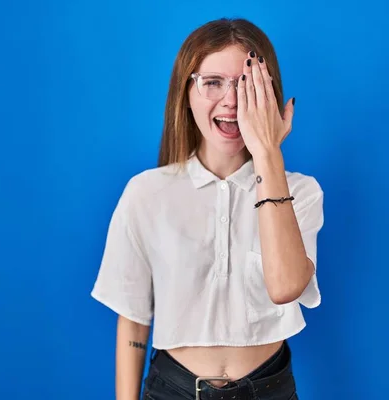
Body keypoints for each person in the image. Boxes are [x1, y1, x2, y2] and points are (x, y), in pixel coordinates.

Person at [91, 17, 324, 400]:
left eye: (247, 85)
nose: (232, 101)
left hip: (270, 390)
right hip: (172, 390)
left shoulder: (303, 192)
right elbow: (133, 322)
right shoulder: (145, 193)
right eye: (213, 82)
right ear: (186, 93)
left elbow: (285, 287)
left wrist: (267, 152)